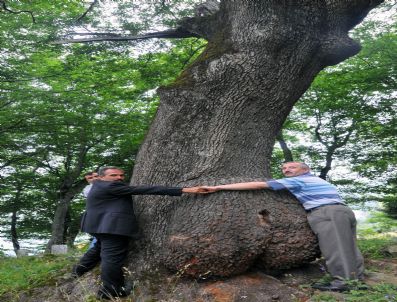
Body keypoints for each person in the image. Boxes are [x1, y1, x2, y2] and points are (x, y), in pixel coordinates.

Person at [200, 162, 364, 292]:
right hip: (343, 211)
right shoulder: (317, 180)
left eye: (292, 167)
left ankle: (343, 283)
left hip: (327, 212)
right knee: (349, 245)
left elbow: (258, 185)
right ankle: (357, 279)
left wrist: (219, 187)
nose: (287, 170)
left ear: (305, 169)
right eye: (284, 168)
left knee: (335, 247)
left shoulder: (299, 180)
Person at [72, 166, 204, 300]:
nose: (119, 178)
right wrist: (185, 189)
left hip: (100, 226)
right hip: (112, 227)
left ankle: (78, 270)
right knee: (111, 258)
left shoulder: (98, 186)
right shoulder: (110, 187)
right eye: (114, 175)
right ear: (101, 177)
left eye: (121, 175)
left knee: (98, 248)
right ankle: (110, 291)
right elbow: (145, 189)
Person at [82, 171, 99, 249]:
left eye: (96, 176)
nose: (94, 179)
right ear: (87, 180)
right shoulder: (87, 189)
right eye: (90, 178)